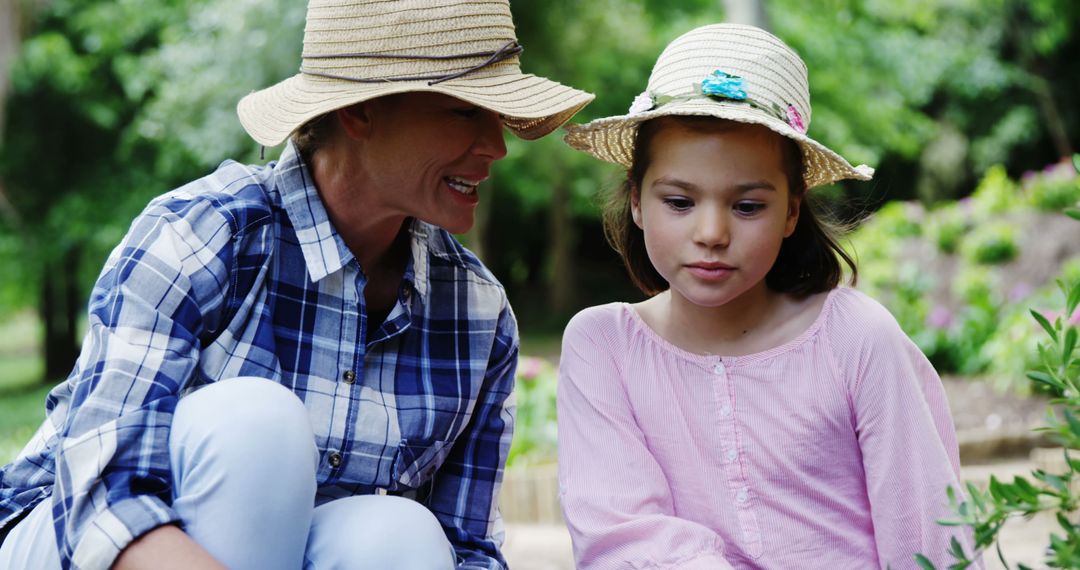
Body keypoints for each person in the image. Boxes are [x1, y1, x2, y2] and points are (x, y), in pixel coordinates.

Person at [0, 1, 593, 569]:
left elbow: (467, 550)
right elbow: (102, 498)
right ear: (359, 111)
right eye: (466, 112)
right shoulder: (202, 235)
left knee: (403, 536)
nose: (496, 146)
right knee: (255, 425)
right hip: (71, 537)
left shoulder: (478, 312)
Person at [555, 23, 976, 569]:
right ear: (637, 202)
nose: (711, 232)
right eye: (679, 201)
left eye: (747, 206)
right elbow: (623, 538)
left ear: (792, 212)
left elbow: (929, 532)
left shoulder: (856, 339)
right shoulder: (604, 346)